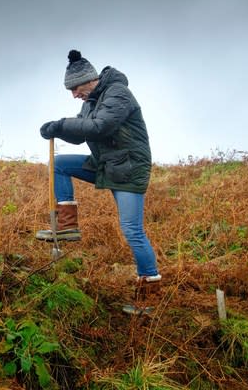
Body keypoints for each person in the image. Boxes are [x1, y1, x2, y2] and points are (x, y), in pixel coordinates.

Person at [36, 49, 161, 309]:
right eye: (70, 90)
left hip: (128, 170)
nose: (74, 95)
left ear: (90, 80)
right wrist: (56, 130)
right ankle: (68, 224)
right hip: (105, 164)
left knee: (132, 231)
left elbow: (99, 127)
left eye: (76, 88)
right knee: (59, 164)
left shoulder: (118, 93)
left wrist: (60, 124)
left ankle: (149, 296)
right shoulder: (90, 102)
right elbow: (81, 134)